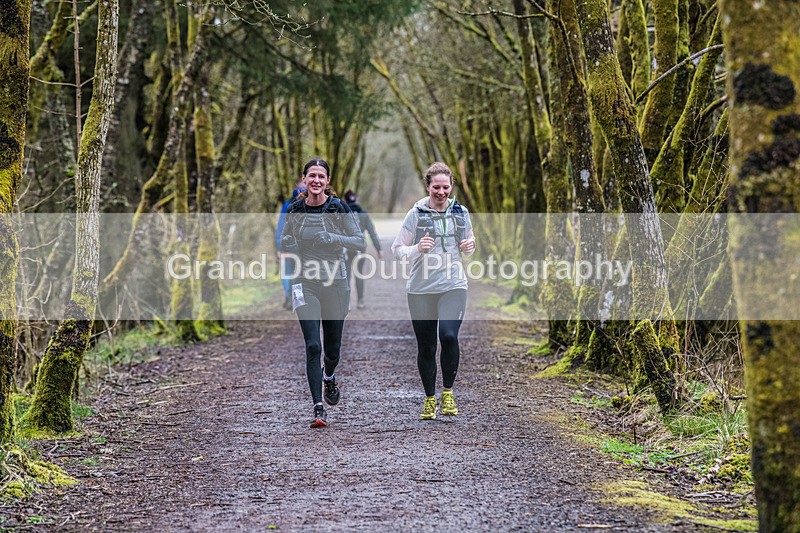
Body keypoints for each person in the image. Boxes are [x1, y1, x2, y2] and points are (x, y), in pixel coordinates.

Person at [280, 158, 365, 428]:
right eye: (312, 176)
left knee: (332, 350)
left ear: (328, 182)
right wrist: (288, 242)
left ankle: (329, 376)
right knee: (313, 345)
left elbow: (359, 241)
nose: (316, 181)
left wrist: (334, 238)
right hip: (304, 283)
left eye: (321, 177)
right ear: (304, 179)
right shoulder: (294, 210)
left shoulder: (338, 207)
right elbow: (286, 239)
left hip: (335, 283)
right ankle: (318, 408)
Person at [391, 162, 476, 420]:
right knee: (427, 346)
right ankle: (430, 399)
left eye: (446, 187)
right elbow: (397, 250)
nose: (441, 192)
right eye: (436, 187)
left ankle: (447, 393)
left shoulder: (461, 212)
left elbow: (469, 244)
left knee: (449, 336)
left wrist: (470, 246)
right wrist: (418, 248)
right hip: (420, 289)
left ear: (451, 186)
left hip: (453, 284)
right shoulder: (415, 214)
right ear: (428, 186)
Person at [342, 190, 384, 309]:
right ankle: (360, 301)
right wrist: (379, 249)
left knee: (346, 276)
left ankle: (347, 302)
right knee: (359, 275)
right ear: (357, 199)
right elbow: (372, 232)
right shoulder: (363, 213)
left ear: (345, 200)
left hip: (345, 249)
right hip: (359, 249)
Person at [276, 178, 306, 310]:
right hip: (299, 247)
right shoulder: (312, 203)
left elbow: (281, 226)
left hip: (290, 245)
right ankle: (296, 301)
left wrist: (280, 246)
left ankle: (292, 298)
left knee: (290, 273)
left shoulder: (288, 204)